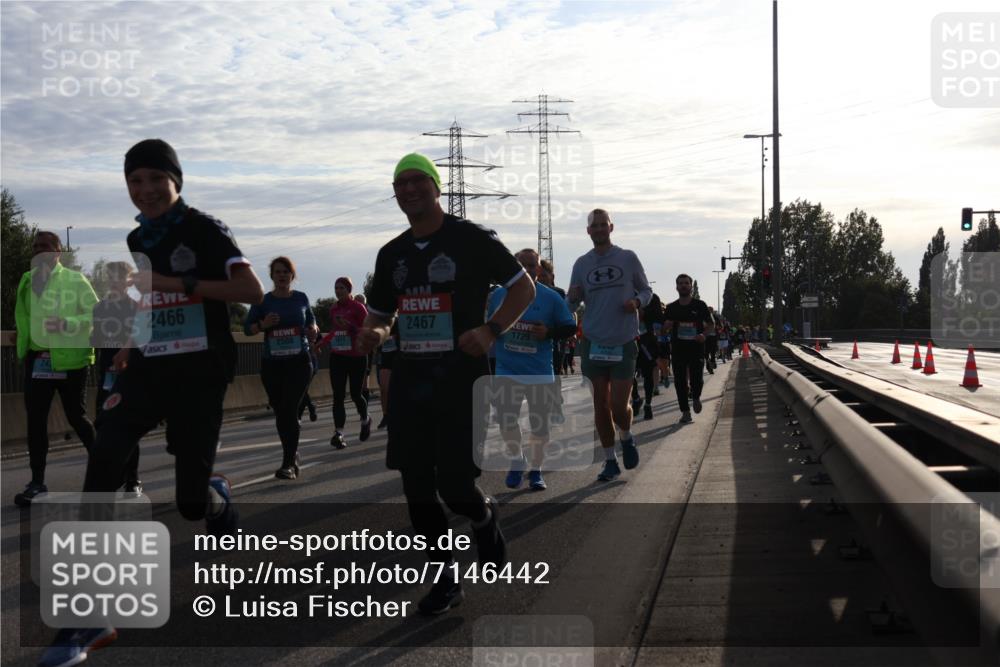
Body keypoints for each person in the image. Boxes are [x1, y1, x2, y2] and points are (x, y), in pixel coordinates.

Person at [39, 139, 265, 667]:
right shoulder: (138, 235)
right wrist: (129, 342)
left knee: (189, 504)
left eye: (153, 180)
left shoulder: (206, 228)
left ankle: (214, 496)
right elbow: (153, 299)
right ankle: (86, 615)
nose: (144, 191)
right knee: (104, 457)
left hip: (201, 369)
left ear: (176, 180)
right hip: (149, 366)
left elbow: (250, 289)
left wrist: (173, 280)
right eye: (133, 182)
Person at [356, 153, 534, 614]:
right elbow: (381, 314)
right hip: (411, 384)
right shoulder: (391, 254)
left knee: (455, 487)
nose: (409, 189)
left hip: (460, 382)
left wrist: (491, 330)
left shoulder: (470, 239)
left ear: (437, 187)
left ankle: (483, 514)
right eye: (401, 184)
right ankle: (445, 579)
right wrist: (374, 333)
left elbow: (523, 288)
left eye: (418, 181)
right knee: (416, 487)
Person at [12, 231, 99, 507]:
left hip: (71, 360)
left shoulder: (75, 280)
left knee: (77, 417)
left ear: (58, 252)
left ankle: (107, 471)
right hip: (38, 361)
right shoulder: (27, 281)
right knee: (35, 422)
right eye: (36, 247)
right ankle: (37, 482)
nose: (39, 251)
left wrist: (66, 323)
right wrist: (21, 336)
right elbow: (26, 317)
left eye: (46, 247)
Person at [567, 209, 652, 482]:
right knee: (599, 405)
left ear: (611, 228)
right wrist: (572, 297)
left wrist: (637, 302)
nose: (600, 229)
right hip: (593, 341)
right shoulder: (581, 264)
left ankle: (626, 437)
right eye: (595, 225)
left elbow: (646, 291)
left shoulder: (627, 258)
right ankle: (609, 460)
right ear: (588, 231)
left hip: (624, 340)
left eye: (604, 224)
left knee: (618, 405)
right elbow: (570, 304)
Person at [489, 248, 577, 491]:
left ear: (539, 269)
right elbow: (486, 325)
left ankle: (536, 471)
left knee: (540, 425)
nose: (527, 269)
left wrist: (549, 333)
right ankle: (517, 459)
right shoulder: (498, 295)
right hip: (507, 368)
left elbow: (570, 326)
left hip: (539, 370)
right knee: (507, 420)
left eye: (532, 265)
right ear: (515, 266)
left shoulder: (550, 298)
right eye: (522, 264)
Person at [245, 256, 317, 479]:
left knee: (289, 408)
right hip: (273, 364)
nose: (282, 275)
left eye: (286, 271)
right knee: (281, 412)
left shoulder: (301, 298)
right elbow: (248, 329)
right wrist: (263, 325)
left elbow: (312, 322)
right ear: (272, 276)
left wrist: (313, 329)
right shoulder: (262, 301)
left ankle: (288, 463)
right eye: (278, 272)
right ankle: (292, 453)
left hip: (299, 362)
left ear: (292, 275)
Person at [90, 261, 141, 494]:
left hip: (129, 376)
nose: (114, 281)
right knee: (105, 428)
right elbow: (96, 341)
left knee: (129, 427)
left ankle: (133, 479)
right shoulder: (99, 308)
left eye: (120, 277)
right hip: (105, 377)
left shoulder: (136, 307)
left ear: (128, 281)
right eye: (110, 277)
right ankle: (113, 477)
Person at [317, 277, 371, 448]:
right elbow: (335, 332)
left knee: (356, 394)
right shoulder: (333, 309)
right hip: (338, 356)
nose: (338, 291)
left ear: (349, 290)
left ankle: (365, 419)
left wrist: (351, 327)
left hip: (357, 356)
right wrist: (320, 344)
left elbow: (368, 331)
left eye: (341, 288)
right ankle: (339, 433)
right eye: (336, 288)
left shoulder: (358, 307)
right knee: (338, 396)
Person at [663, 273, 712, 424]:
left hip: (696, 347)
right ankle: (685, 412)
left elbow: (711, 325)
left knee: (697, 378)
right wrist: (666, 327)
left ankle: (696, 396)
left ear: (691, 286)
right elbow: (663, 329)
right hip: (678, 348)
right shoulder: (671, 308)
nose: (683, 285)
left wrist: (704, 334)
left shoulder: (700, 305)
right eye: (680, 283)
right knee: (679, 381)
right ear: (676, 287)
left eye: (686, 283)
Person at [631, 292, 665, 421]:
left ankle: (648, 405)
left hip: (647, 342)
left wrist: (639, 308)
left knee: (647, 374)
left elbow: (657, 318)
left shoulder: (652, 297)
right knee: (628, 374)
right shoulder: (624, 294)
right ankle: (636, 398)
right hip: (628, 341)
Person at [374, 323, 399, 429]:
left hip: (399, 356)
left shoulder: (398, 321)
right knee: (384, 389)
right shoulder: (376, 321)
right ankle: (386, 415)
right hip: (385, 358)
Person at [704, 306, 718, 374]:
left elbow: (720, 325)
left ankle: (711, 363)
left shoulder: (714, 317)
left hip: (711, 336)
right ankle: (710, 365)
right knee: (709, 352)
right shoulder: (705, 316)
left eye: (711, 310)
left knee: (711, 352)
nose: (711, 311)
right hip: (707, 336)